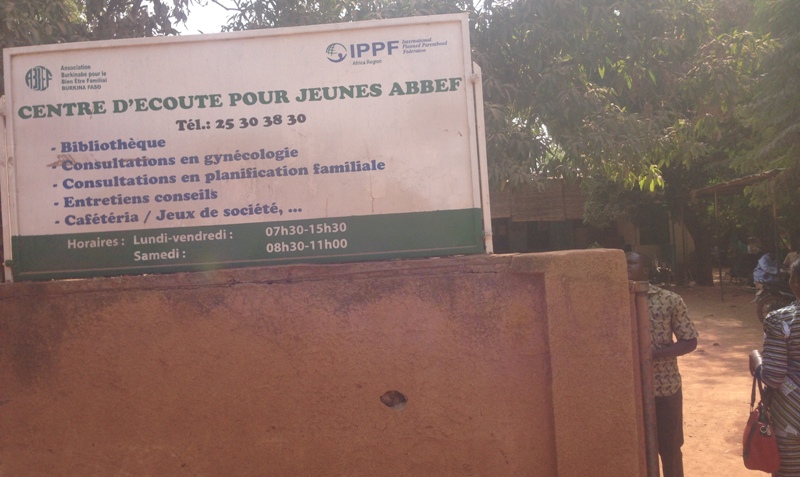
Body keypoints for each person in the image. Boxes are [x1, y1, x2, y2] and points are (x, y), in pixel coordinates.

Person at [627, 251, 699, 477]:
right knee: (634, 449)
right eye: (622, 263)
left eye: (631, 263)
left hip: (665, 387)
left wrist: (653, 355)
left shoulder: (669, 300)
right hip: (629, 391)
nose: (625, 267)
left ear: (645, 269)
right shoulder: (612, 301)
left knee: (670, 449)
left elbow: (689, 341)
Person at [751, 258, 800, 476]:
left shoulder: (781, 320)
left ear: (795, 283)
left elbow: (773, 376)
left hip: (792, 416)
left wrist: (757, 364)